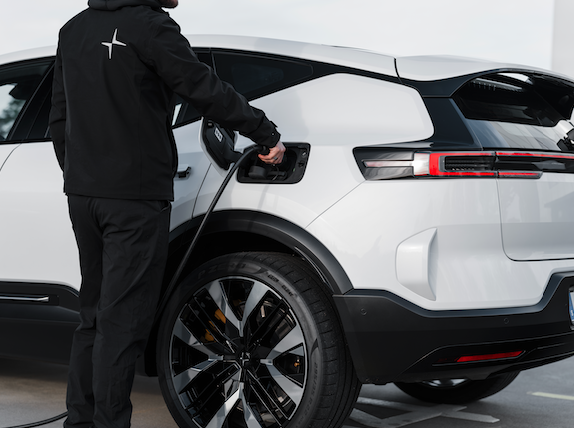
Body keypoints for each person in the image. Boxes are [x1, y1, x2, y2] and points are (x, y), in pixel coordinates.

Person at [48, 0, 285, 427]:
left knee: (94, 316)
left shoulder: (73, 29)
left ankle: (79, 422)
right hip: (133, 197)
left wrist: (81, 174)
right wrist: (264, 132)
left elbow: (58, 118)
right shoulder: (151, 26)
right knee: (121, 322)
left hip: (84, 196)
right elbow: (202, 87)